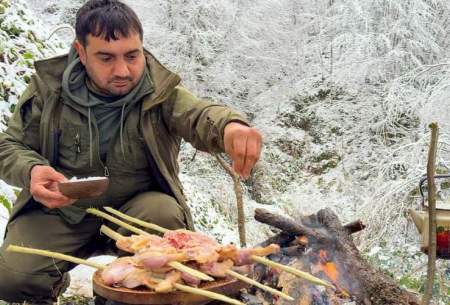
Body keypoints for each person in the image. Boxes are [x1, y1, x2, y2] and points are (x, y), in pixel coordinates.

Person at [0, 0, 262, 303]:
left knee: (163, 216)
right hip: (59, 212)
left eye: (132, 55)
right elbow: (9, 146)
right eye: (106, 58)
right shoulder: (49, 90)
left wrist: (231, 127)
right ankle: (49, 285)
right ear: (81, 53)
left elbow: (198, 115)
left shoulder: (159, 91)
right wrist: (31, 170)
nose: (123, 70)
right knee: (11, 277)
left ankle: (122, 295)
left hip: (137, 212)